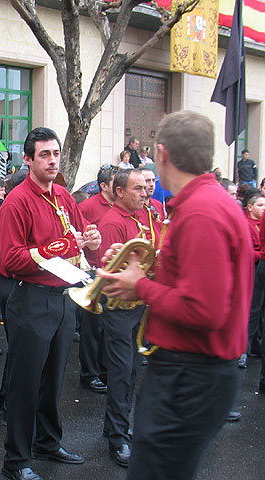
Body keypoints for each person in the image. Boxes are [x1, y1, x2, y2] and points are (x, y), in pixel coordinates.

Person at [98, 111, 252, 480]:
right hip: (194, 372)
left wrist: (141, 286)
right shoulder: (208, 205)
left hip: (191, 374)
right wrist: (142, 267)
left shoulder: (201, 213)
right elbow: (194, 281)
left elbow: (205, 310)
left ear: (162, 154)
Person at [0, 127, 101, 480]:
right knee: (26, 382)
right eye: (44, 155)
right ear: (28, 159)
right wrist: (62, 247)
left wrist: (92, 239)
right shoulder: (17, 202)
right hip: (30, 298)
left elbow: (81, 235)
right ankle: (16, 461)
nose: (52, 160)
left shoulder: (63, 196)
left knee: (53, 378)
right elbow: (9, 259)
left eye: (55, 153)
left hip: (62, 296)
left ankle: (48, 442)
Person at [96, 168, 149, 468]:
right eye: (138, 189)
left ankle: (114, 427)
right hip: (120, 309)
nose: (144, 193)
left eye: (144, 188)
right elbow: (110, 272)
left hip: (136, 307)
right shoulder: (114, 223)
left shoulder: (136, 219)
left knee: (130, 371)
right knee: (121, 372)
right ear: (119, 192)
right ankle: (118, 438)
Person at [76, 164, 119, 395]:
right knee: (91, 329)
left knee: (107, 327)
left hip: (113, 274)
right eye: (115, 182)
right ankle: (89, 374)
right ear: (103, 186)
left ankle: (104, 369)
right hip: (92, 272)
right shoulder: (87, 206)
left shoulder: (120, 206)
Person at [242, 193, 265, 368]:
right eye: (259, 205)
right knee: (253, 309)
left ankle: (256, 345)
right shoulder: (246, 224)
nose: (263, 209)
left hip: (259, 263)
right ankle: (244, 349)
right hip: (254, 268)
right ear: (250, 207)